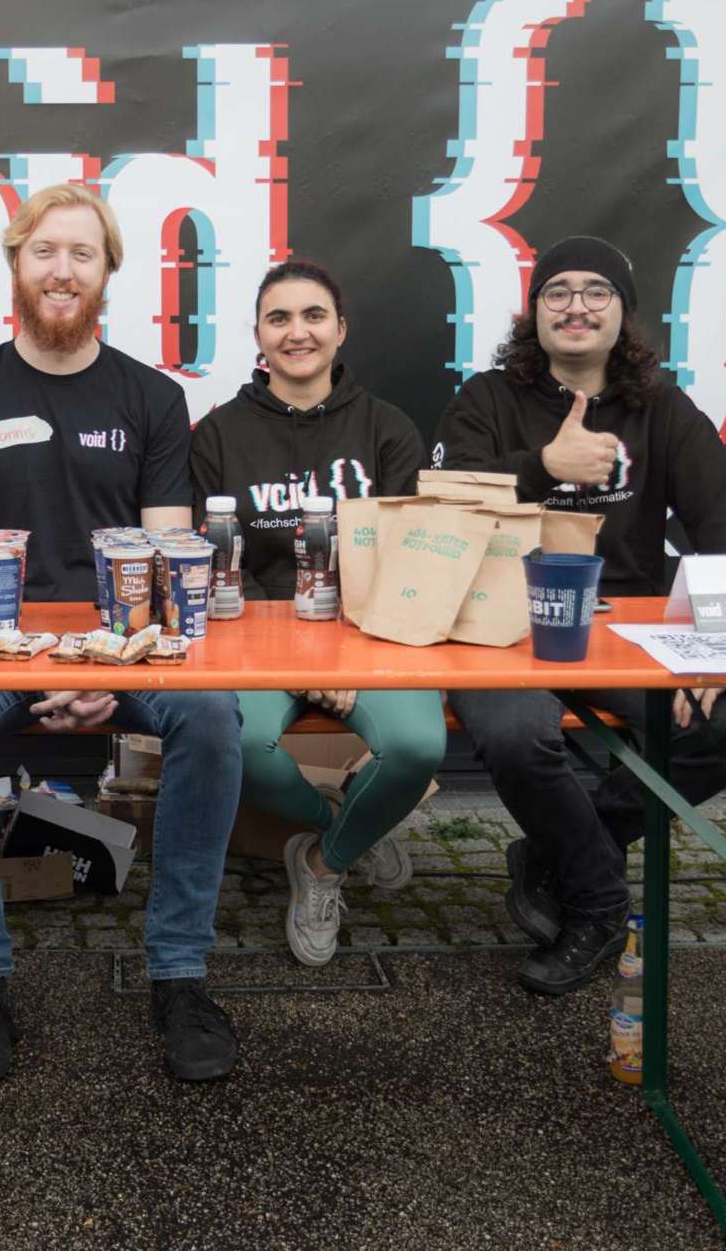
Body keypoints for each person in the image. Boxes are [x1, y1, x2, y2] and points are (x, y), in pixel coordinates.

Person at [0, 183, 242, 1083]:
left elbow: (168, 562)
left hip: (122, 648)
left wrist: (106, 669)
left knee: (210, 715)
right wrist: (46, 661)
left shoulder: (151, 398)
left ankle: (179, 973)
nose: (63, 270)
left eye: (82, 254)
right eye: (45, 251)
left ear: (107, 275)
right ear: (16, 264)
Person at [431, 236, 726, 996]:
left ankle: (568, 851)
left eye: (596, 292)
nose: (576, 306)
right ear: (535, 311)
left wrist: (718, 651)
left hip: (624, 631)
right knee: (516, 734)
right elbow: (443, 504)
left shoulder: (665, 411)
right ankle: (600, 901)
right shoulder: (486, 398)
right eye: (558, 292)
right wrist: (543, 468)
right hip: (502, 624)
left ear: (622, 313)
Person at [188, 259, 444, 967]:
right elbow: (210, 567)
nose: (296, 332)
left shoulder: (388, 430)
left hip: (372, 637)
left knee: (418, 747)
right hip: (255, 640)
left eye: (312, 316)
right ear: (258, 335)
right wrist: (300, 663)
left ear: (340, 330)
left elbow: (408, 564)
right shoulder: (217, 435)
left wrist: (347, 656)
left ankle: (325, 865)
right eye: (279, 318)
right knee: (235, 744)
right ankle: (346, 824)